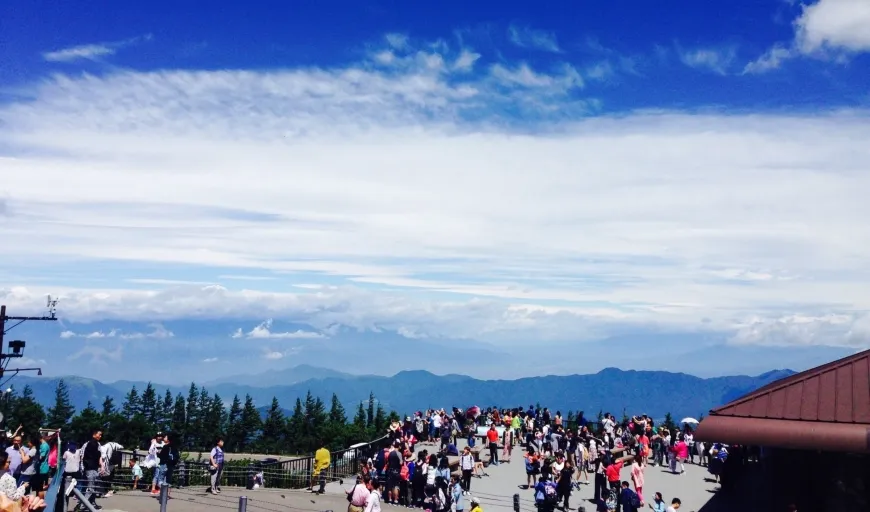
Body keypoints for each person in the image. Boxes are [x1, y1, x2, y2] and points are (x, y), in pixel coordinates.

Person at [81, 429, 104, 511]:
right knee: (90, 488)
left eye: (101, 435)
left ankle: (92, 504)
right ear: (94, 434)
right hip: (90, 468)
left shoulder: (95, 443)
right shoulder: (91, 443)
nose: (100, 436)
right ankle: (82, 506)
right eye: (99, 434)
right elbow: (91, 456)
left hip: (93, 467)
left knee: (93, 487)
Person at [156, 432, 179, 499]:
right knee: (168, 480)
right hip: (171, 465)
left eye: (165, 437)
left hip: (164, 464)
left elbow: (161, 455)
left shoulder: (166, 446)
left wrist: (158, 453)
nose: (164, 438)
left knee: (160, 480)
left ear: (168, 439)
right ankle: (166, 495)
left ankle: (163, 495)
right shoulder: (174, 447)